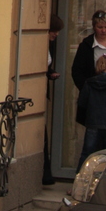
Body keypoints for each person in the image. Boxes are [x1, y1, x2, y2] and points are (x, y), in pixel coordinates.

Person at [42, 15, 62, 185]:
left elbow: (45, 65)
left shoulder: (50, 44)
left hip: (43, 89)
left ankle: (46, 173)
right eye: (53, 31)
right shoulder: (39, 42)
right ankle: (45, 174)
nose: (56, 34)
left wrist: (51, 73)